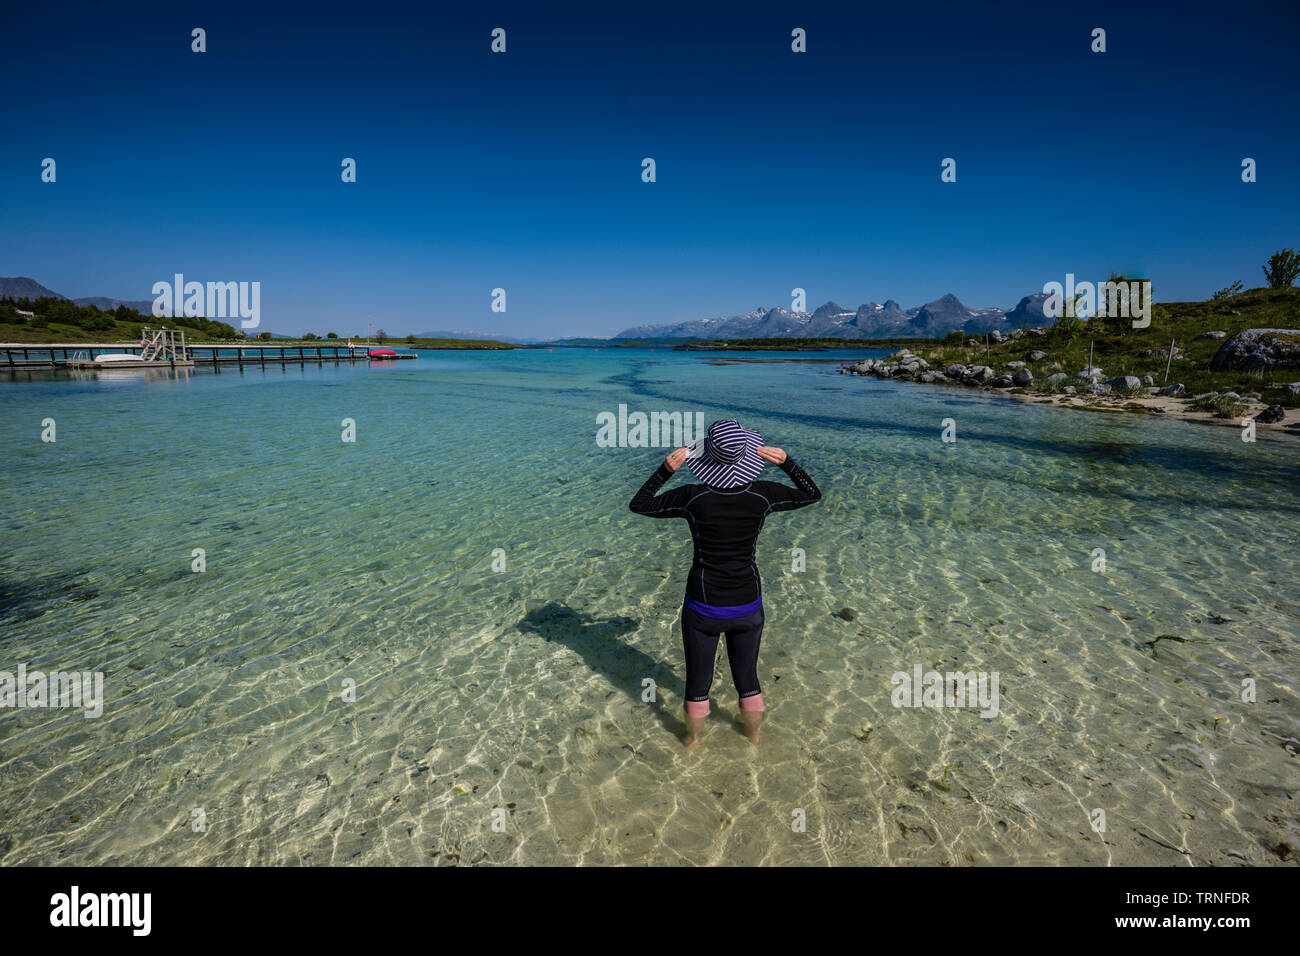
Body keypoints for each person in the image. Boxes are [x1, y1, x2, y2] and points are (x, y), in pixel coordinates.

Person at [628, 419, 821, 747]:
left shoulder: (692, 497)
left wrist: (665, 470)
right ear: (748, 456)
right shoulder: (763, 496)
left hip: (703, 607)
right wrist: (788, 464)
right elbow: (811, 494)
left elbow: (640, 504)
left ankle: (691, 741)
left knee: (697, 684)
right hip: (748, 605)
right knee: (748, 680)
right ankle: (754, 736)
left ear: (707, 460)